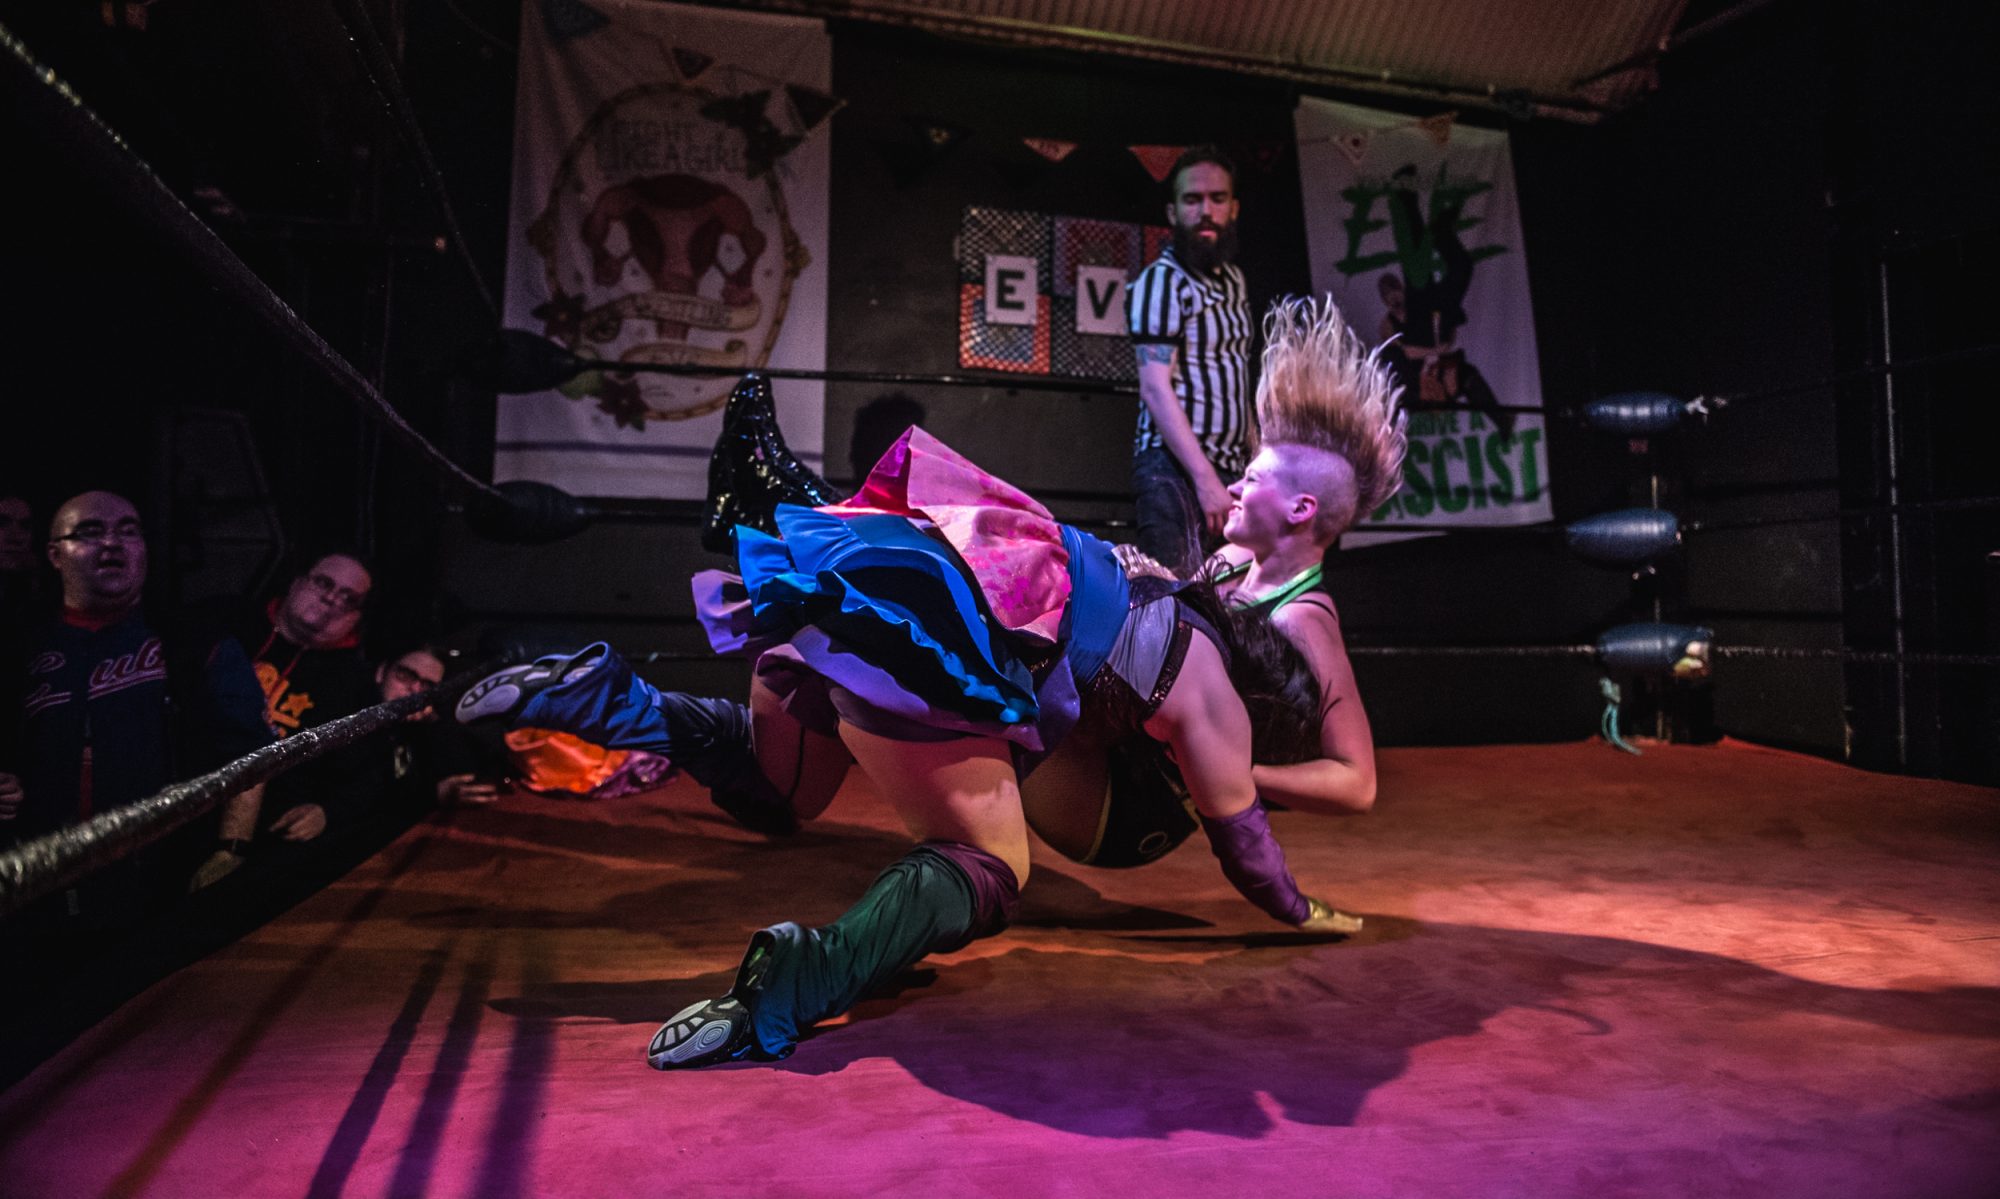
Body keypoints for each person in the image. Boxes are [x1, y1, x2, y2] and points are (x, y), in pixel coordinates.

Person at [459, 424, 1353, 1072]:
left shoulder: (1161, 588)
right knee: (989, 865)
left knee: (786, 785)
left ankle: (613, 699)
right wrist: (1305, 909)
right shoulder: (1216, 695)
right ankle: (785, 991)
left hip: (865, 571)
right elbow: (1244, 843)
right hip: (924, 628)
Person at [0, 491, 271, 923]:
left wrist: (231, 848)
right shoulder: (19, 647)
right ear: (55, 554)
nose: (112, 542)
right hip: (37, 889)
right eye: (90, 532)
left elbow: (250, 753)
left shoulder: (194, 643)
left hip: (161, 884)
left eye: (128, 531)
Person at [1204, 297, 1408, 816]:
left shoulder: (1302, 619)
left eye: (1251, 480)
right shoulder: (1231, 561)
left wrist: (1235, 772)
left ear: (1300, 509)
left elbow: (1357, 783)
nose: (1234, 489)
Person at [1126, 145, 1256, 575]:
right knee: (1177, 598)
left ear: (1233, 208)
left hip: (1231, 468)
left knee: (1235, 599)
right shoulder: (1162, 281)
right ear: (1173, 212)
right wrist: (1204, 479)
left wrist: (1255, 464)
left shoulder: (1233, 281)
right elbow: (1154, 386)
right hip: (1175, 470)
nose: (1206, 211)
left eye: (1217, 199)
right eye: (1192, 200)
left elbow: (1234, 373)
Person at [224, 552, 381, 852]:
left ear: (356, 618)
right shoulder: (231, 622)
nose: (331, 599)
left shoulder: (355, 683)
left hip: (272, 835)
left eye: (348, 598)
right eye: (324, 583)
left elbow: (371, 771)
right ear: (296, 583)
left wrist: (327, 812)